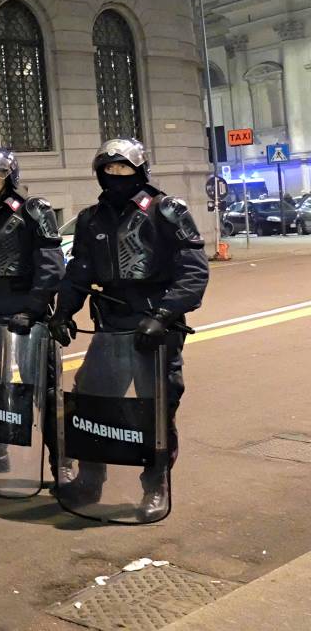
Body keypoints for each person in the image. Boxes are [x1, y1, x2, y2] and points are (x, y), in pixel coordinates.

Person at [48, 139, 209, 522]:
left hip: (154, 328)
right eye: (109, 170)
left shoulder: (166, 211)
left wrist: (164, 316)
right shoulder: (91, 218)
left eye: (123, 169)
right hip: (111, 327)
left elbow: (194, 272)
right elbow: (79, 272)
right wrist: (63, 311)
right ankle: (90, 479)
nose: (116, 176)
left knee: (155, 412)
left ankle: (156, 486)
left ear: (139, 171)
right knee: (92, 405)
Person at [0, 147, 63, 475]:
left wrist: (33, 309)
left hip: (27, 315)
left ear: (10, 179)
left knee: (44, 391)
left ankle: (63, 464)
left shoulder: (34, 210)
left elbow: (51, 265)